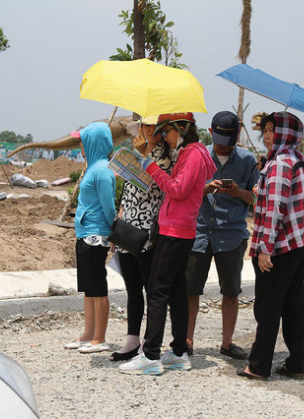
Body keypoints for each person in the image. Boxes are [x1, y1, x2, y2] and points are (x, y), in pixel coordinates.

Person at [119, 112, 216, 375]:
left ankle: (151, 356)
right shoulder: (190, 153)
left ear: (182, 129)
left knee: (157, 291)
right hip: (176, 228)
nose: (165, 138)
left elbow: (177, 189)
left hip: (176, 230)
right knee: (175, 291)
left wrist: (148, 166)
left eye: (167, 132)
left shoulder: (194, 153)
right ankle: (178, 352)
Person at [238, 111, 304, 381]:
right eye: (266, 130)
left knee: (268, 305)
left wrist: (265, 248)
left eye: (274, 130)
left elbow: (275, 209)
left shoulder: (281, 163)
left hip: (281, 243)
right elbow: (278, 197)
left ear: (286, 133)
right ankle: (296, 364)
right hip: (300, 241)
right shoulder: (296, 160)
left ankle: (258, 366)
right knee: (293, 305)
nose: (268, 135)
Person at [185, 111, 259, 359]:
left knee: (231, 291)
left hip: (231, 234)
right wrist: (204, 189)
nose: (222, 147)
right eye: (218, 141)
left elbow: (257, 199)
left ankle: (227, 343)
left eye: (227, 142)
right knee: (190, 289)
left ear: (237, 137)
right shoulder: (198, 156)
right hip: (199, 232)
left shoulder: (248, 161)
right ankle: (187, 341)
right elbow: (183, 192)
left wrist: (238, 192)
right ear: (210, 133)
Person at [110, 115, 173, 362]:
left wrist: (140, 159)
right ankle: (132, 338)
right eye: (144, 126)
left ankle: (149, 340)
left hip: (147, 231)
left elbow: (148, 183)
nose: (146, 131)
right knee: (132, 288)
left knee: (150, 288)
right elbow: (128, 190)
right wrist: (119, 223)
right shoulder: (135, 153)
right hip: (128, 228)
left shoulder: (164, 159)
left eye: (150, 126)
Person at [64, 121, 116, 354]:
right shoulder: (93, 167)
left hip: (96, 235)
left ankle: (100, 337)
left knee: (97, 287)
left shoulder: (102, 170)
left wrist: (113, 232)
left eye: (83, 141)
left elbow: (109, 208)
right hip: (85, 234)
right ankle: (88, 334)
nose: (80, 146)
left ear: (94, 143)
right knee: (88, 288)